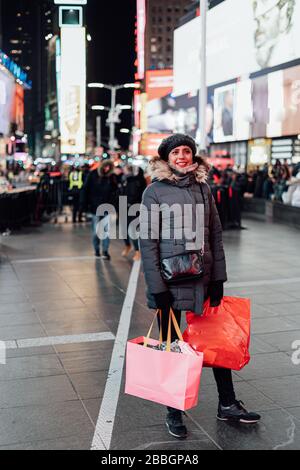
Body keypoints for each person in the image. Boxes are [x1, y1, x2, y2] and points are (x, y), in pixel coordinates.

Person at [139, 133, 261, 439]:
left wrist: (218, 277)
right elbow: (148, 243)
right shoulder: (154, 192)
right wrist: (157, 289)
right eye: (176, 152)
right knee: (171, 349)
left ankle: (228, 404)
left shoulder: (203, 188)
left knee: (218, 343)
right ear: (166, 158)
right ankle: (173, 412)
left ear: (193, 155)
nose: (182, 155)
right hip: (169, 283)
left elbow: (215, 235)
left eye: (186, 151)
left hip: (204, 281)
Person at [81, 159, 117, 260]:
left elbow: (115, 192)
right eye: (106, 166)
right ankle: (96, 249)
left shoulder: (111, 177)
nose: (107, 169)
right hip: (95, 207)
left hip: (107, 207)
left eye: (109, 167)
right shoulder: (93, 174)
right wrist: (84, 205)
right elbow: (85, 189)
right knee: (95, 232)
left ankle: (105, 251)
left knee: (106, 231)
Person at [121, 165, 147, 261]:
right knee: (124, 230)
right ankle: (128, 245)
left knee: (133, 230)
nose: (123, 170)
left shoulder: (137, 181)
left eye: (125, 169)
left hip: (134, 208)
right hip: (124, 207)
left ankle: (138, 251)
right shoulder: (124, 180)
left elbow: (135, 195)